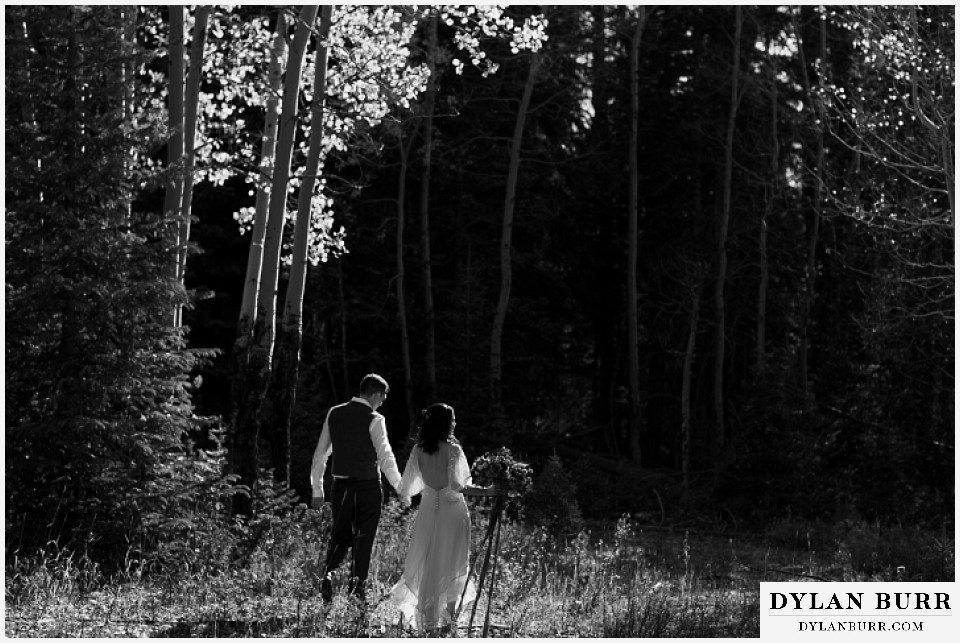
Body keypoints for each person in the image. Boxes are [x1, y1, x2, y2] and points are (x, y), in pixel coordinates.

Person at [389, 403, 499, 634]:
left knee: (429, 562)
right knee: (452, 562)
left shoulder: (418, 451)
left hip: (429, 510)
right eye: (453, 420)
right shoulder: (453, 450)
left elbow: (407, 488)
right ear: (446, 423)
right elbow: (460, 486)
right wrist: (489, 491)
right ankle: (449, 620)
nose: (456, 423)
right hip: (453, 512)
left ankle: (428, 619)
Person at [310, 373, 406, 603]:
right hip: (367, 488)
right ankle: (357, 591)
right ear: (374, 393)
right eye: (383, 396)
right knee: (364, 538)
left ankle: (328, 575)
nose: (383, 401)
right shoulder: (375, 418)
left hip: (341, 486)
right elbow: (385, 456)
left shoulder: (335, 413)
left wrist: (317, 488)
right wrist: (400, 487)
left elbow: (321, 453)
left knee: (340, 535)